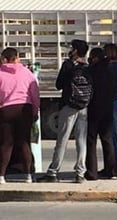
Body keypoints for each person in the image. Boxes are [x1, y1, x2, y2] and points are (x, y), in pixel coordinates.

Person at [0, 47, 40, 184]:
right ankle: (28, 175)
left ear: (4, 59)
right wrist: (35, 110)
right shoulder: (26, 72)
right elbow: (35, 92)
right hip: (24, 109)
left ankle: (1, 176)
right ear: (16, 58)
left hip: (4, 109)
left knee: (6, 143)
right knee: (24, 143)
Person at [37, 39, 91, 184]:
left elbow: (58, 85)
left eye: (72, 48)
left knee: (62, 139)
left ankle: (53, 171)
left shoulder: (68, 65)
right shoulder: (87, 66)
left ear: (75, 51)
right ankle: (80, 173)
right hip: (84, 106)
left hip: (69, 106)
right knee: (81, 140)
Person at [85, 47, 117, 180]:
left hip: (94, 108)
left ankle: (92, 172)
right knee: (107, 139)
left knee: (91, 141)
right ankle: (111, 171)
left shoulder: (91, 70)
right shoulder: (110, 70)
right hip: (107, 108)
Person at [103, 43, 117, 178]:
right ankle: (111, 166)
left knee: (111, 137)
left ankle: (113, 167)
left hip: (111, 103)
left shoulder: (111, 68)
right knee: (111, 136)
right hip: (116, 102)